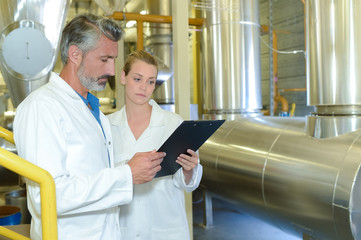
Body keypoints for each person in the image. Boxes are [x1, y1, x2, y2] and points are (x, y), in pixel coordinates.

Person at [13, 14, 165, 240]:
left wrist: (132, 167)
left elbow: (88, 172)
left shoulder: (92, 109)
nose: (112, 71)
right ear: (75, 54)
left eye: (114, 59)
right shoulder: (42, 107)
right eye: (105, 59)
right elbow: (48, 195)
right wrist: (126, 174)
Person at [107, 50, 203, 240]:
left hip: (167, 229)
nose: (144, 87)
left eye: (151, 81)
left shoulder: (173, 123)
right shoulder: (107, 126)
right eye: (137, 79)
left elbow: (188, 184)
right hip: (123, 230)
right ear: (123, 77)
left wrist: (190, 170)